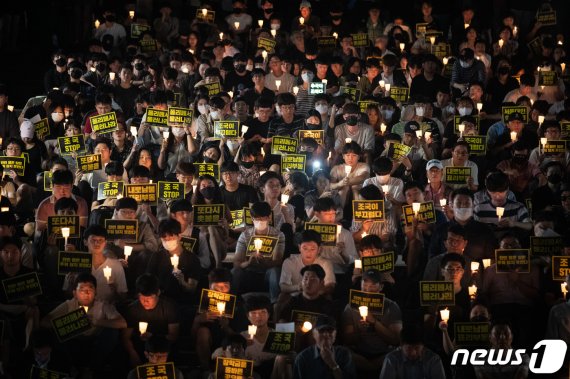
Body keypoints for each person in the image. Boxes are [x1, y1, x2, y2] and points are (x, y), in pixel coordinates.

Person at [342, 269, 402, 375]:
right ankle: (370, 367)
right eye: (365, 284)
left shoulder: (391, 306)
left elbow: (396, 340)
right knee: (344, 353)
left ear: (381, 287)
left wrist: (374, 322)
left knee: (398, 353)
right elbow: (348, 339)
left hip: (384, 353)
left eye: (373, 285)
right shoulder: (351, 306)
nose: (368, 289)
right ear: (360, 284)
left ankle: (371, 367)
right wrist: (360, 331)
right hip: (359, 353)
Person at [122, 273, 180, 367]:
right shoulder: (133, 309)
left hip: (163, 348)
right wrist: (132, 353)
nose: (145, 301)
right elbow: (125, 337)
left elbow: (174, 335)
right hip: (140, 347)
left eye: (149, 297)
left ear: (158, 293)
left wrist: (153, 336)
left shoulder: (169, 307)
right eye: (142, 297)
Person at [232, 201, 285, 304]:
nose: (260, 221)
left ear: (269, 217)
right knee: (235, 272)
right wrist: (248, 262)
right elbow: (237, 262)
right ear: (252, 219)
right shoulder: (245, 235)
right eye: (257, 219)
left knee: (275, 271)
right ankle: (233, 303)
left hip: (267, 273)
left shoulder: (278, 235)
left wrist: (265, 262)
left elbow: (278, 261)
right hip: (249, 272)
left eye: (263, 218)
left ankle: (275, 303)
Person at [293, 315, 356, 379]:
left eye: (330, 330)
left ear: (335, 334)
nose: (326, 334)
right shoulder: (303, 358)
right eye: (321, 330)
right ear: (313, 334)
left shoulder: (344, 354)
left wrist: (332, 364)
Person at [379, 325, 445, 379]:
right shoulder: (391, 359)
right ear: (401, 346)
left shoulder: (433, 359)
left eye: (417, 348)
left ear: (423, 346)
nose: (413, 353)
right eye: (409, 348)